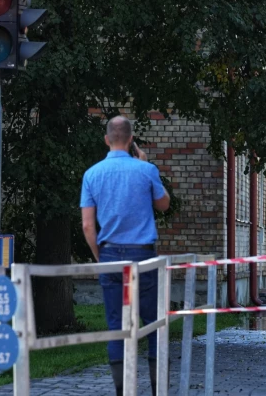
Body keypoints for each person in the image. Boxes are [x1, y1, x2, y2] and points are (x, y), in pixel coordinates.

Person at [80, 115, 170, 396]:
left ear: (107, 139)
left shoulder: (91, 174)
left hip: (110, 256)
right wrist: (145, 166)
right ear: (131, 140)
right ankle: (157, 390)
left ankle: (122, 391)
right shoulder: (145, 169)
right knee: (153, 324)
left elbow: (87, 225)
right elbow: (164, 204)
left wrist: (100, 257)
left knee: (116, 327)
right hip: (142, 256)